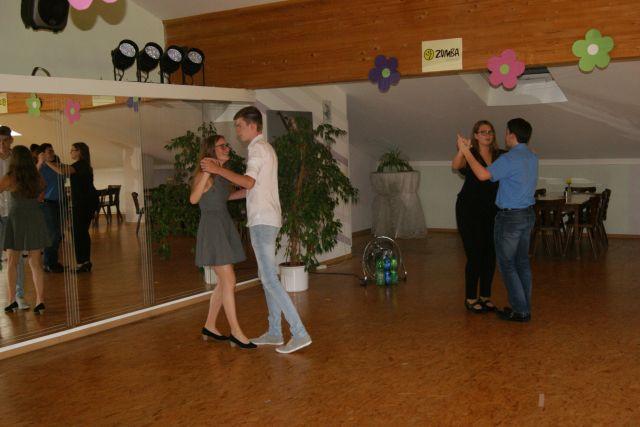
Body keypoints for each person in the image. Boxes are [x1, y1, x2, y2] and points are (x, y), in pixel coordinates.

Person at [201, 106, 312, 354]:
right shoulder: (265, 148)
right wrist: (224, 197)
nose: (237, 131)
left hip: (262, 220)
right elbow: (252, 189)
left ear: (252, 126)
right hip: (266, 217)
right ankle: (274, 332)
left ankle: (299, 333)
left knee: (269, 278)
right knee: (267, 277)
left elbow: (249, 181)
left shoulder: (257, 149)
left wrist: (218, 170)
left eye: (239, 125)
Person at [457, 118, 538, 322]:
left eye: (503, 132)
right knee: (521, 263)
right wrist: (465, 152)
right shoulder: (531, 156)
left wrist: (466, 151)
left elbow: (483, 175)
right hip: (525, 215)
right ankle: (523, 307)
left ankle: (520, 310)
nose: (498, 135)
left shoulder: (507, 158)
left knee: (507, 265)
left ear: (512, 135)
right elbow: (460, 166)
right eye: (483, 132)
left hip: (510, 217)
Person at [191, 135, 256, 350]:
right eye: (222, 146)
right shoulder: (205, 174)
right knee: (229, 281)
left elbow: (222, 198)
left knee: (224, 282)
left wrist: (247, 192)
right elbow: (194, 199)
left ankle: (210, 325)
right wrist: (207, 172)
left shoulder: (221, 175)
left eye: (226, 145)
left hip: (223, 224)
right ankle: (236, 332)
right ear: (211, 150)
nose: (227, 148)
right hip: (212, 229)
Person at [452, 120, 502, 314]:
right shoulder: (470, 153)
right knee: (475, 255)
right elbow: (456, 165)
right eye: (483, 132)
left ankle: (485, 296)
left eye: (490, 131)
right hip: (468, 210)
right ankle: (471, 298)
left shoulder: (500, 155)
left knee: (490, 255)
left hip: (492, 210)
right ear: (476, 135)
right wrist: (462, 150)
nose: (487, 135)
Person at [1, 145, 50, 314]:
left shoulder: (11, 177)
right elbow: (41, 194)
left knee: (12, 262)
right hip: (34, 217)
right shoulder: (36, 177)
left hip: (16, 218)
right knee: (35, 263)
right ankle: (40, 301)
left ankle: (11, 300)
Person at [45, 142, 99, 273]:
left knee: (78, 233)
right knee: (82, 232)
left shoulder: (80, 165)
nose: (70, 152)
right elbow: (64, 167)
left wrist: (46, 161)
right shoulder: (82, 165)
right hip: (87, 202)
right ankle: (85, 262)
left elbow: (62, 171)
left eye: (73, 150)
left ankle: (82, 263)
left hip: (83, 203)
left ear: (79, 151)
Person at [0, 126, 28, 310]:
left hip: (14, 212)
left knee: (15, 258)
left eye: (5, 140)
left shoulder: (17, 160)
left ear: (11, 140)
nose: (2, 144)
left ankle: (19, 295)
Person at [36, 143, 64, 273]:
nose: (52, 152)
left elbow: (64, 174)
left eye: (52, 150)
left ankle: (52, 262)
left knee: (57, 234)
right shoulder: (41, 167)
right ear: (42, 154)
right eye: (49, 151)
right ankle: (49, 263)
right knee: (53, 233)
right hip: (47, 203)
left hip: (59, 202)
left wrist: (49, 162)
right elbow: (31, 177)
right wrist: (41, 162)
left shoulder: (57, 164)